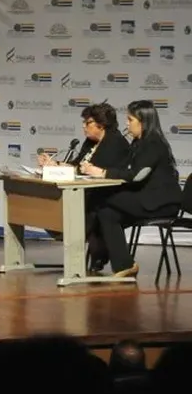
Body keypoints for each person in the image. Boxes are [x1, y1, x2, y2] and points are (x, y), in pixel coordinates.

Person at [81, 100, 183, 277]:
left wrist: (103, 173)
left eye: (130, 119)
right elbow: (126, 170)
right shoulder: (138, 142)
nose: (127, 124)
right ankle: (125, 266)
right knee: (107, 213)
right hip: (145, 198)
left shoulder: (153, 144)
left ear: (143, 121)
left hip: (161, 203)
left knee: (100, 199)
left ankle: (85, 239)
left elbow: (137, 175)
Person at [38, 103, 129, 271]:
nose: (83, 126)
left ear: (101, 125)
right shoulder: (90, 142)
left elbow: (95, 171)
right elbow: (77, 165)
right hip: (87, 192)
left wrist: (72, 169)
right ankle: (78, 242)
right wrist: (54, 164)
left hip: (106, 196)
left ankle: (91, 252)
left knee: (82, 208)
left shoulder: (116, 143)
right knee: (51, 205)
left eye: (88, 123)